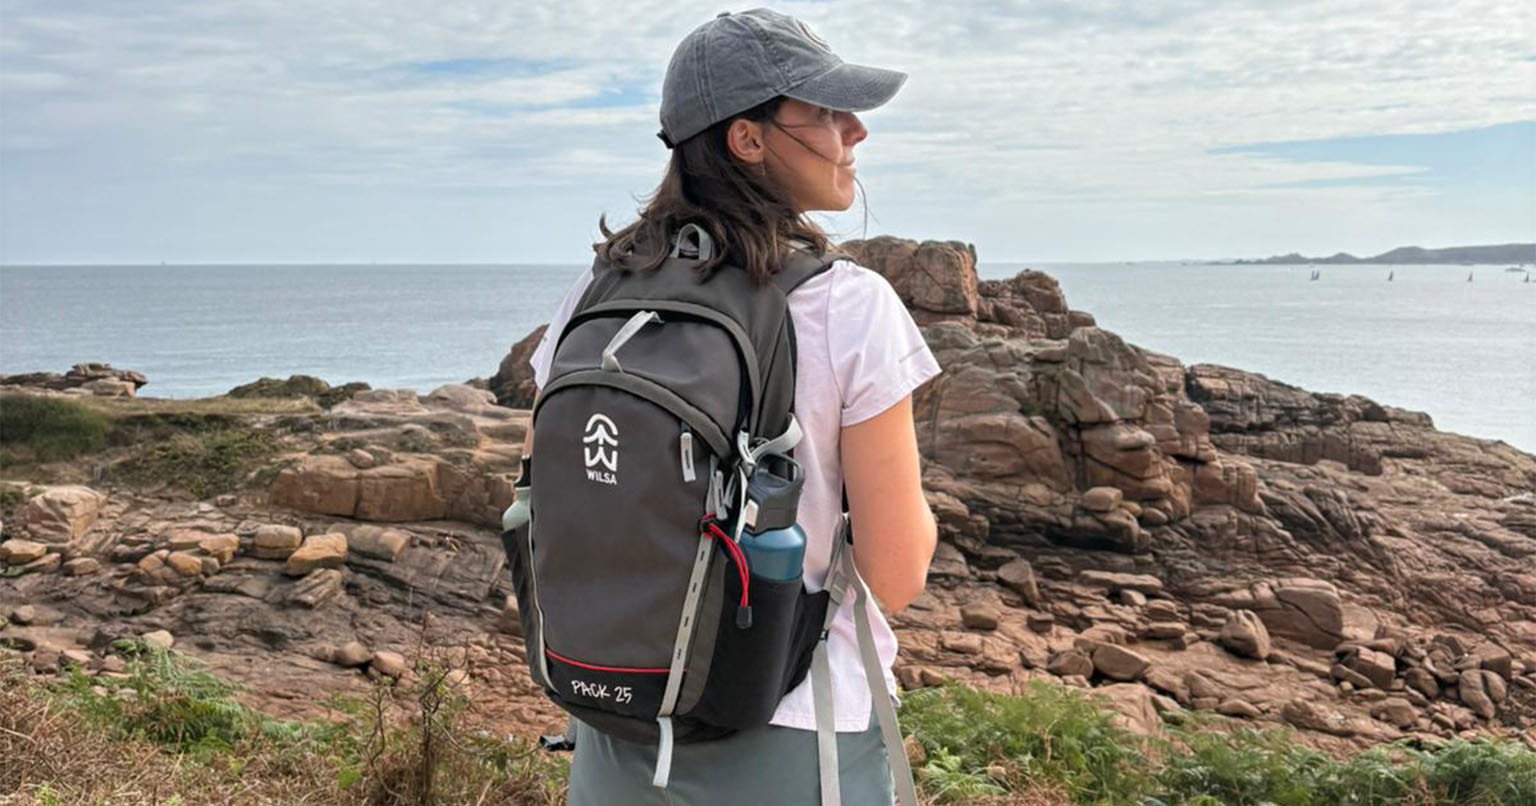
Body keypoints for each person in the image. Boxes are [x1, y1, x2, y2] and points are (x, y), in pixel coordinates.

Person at [522, 8, 940, 804]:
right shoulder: (848, 304)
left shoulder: (598, 290)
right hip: (794, 731)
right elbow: (896, 572)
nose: (854, 131)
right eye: (822, 111)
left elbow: (566, 491)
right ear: (747, 139)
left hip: (618, 720)